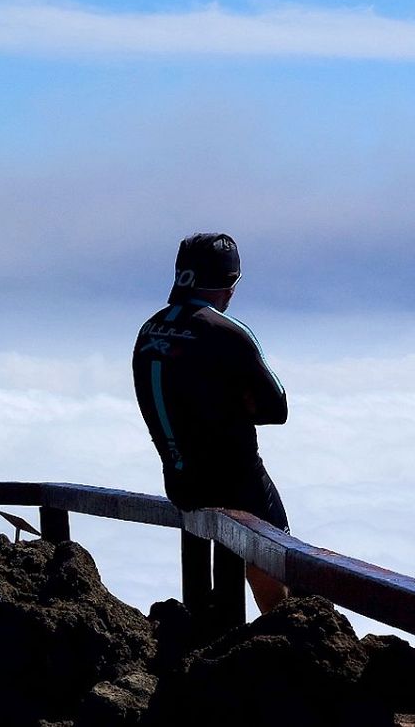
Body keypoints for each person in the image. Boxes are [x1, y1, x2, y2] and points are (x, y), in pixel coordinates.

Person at [132, 232, 290, 613]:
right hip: (235, 483)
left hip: (180, 483)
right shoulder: (226, 333)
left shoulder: (148, 331)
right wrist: (239, 403)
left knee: (209, 585)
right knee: (281, 552)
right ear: (231, 283)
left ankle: (208, 637)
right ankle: (286, 634)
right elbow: (277, 408)